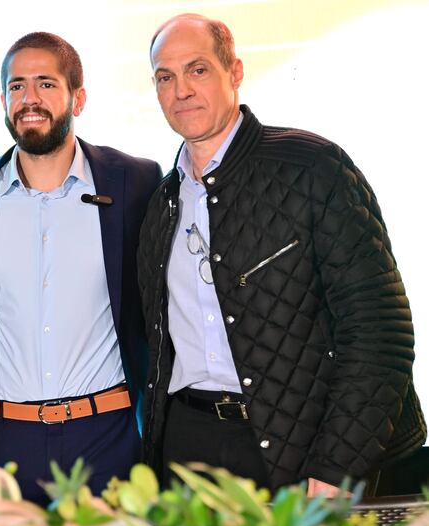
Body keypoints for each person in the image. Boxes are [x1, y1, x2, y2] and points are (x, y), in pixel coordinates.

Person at [137, 13, 426, 496]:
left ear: (235, 72)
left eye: (198, 69)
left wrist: (337, 466)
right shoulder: (161, 204)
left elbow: (380, 331)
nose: (181, 89)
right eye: (165, 77)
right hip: (192, 451)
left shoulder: (312, 167)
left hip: (306, 447)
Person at [0, 32, 162, 504]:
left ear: (77, 98)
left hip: (108, 437)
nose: (30, 99)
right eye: (17, 86)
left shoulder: (136, 182)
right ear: (3, 100)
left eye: (46, 83)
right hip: (3, 442)